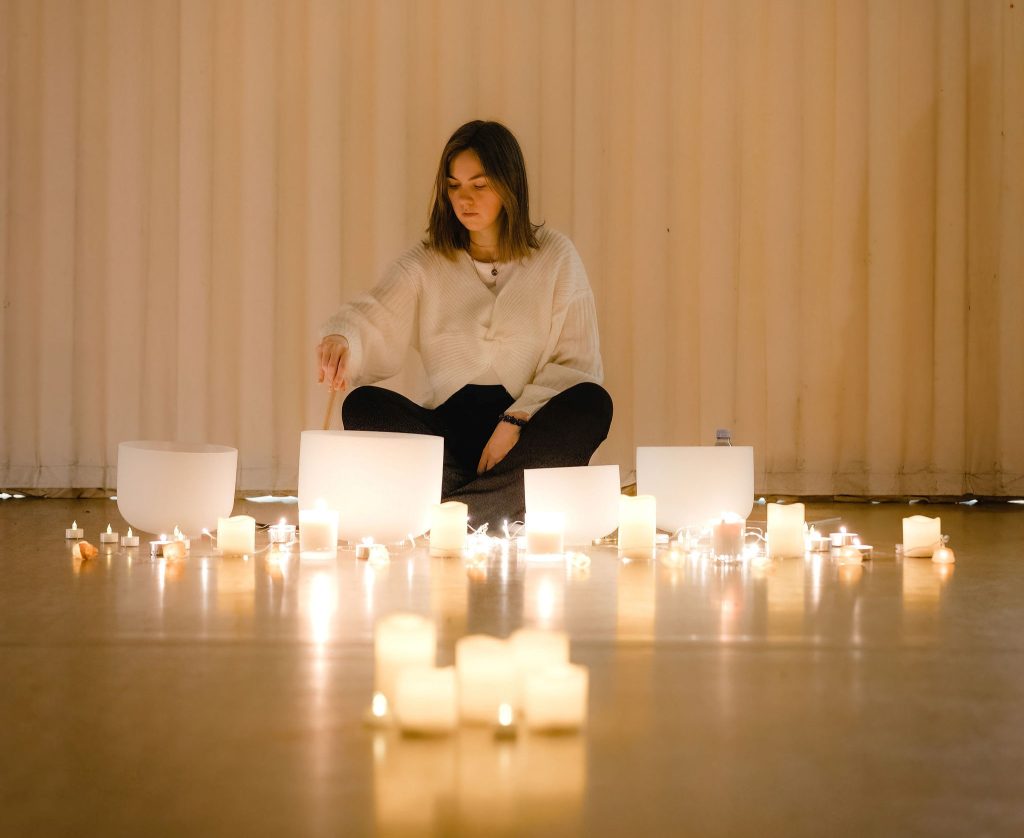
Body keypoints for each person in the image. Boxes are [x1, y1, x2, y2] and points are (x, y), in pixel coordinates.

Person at [315, 120, 612, 527]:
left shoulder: (556, 256)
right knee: (363, 405)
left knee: (592, 403)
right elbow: (374, 312)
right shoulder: (427, 260)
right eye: (454, 186)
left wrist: (514, 421)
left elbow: (577, 364)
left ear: (509, 185)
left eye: (479, 185)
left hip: (526, 431)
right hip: (448, 441)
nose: (464, 199)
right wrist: (342, 336)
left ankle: (457, 516)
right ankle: (497, 506)